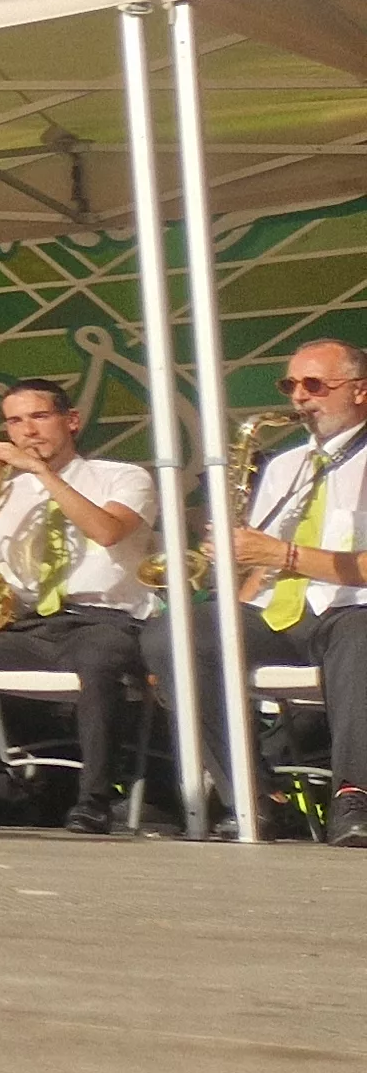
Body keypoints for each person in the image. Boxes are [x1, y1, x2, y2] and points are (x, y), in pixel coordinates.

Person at [0, 378, 158, 829]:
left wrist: (40, 473)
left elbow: (107, 531)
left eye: (39, 416)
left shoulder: (122, 476)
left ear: (71, 421)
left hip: (106, 621)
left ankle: (95, 798)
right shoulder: (1, 493)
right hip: (35, 625)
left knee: (97, 661)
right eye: (14, 421)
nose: (27, 431)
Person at [159, 338, 367, 845]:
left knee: (361, 637)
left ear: (359, 390)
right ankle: (253, 794)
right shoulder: (282, 465)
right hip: (280, 610)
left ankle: (354, 795)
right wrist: (231, 570)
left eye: (314, 384)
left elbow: (292, 556)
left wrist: (281, 554)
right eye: (290, 385)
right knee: (175, 634)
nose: (299, 397)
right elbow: (263, 571)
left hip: (351, 609)